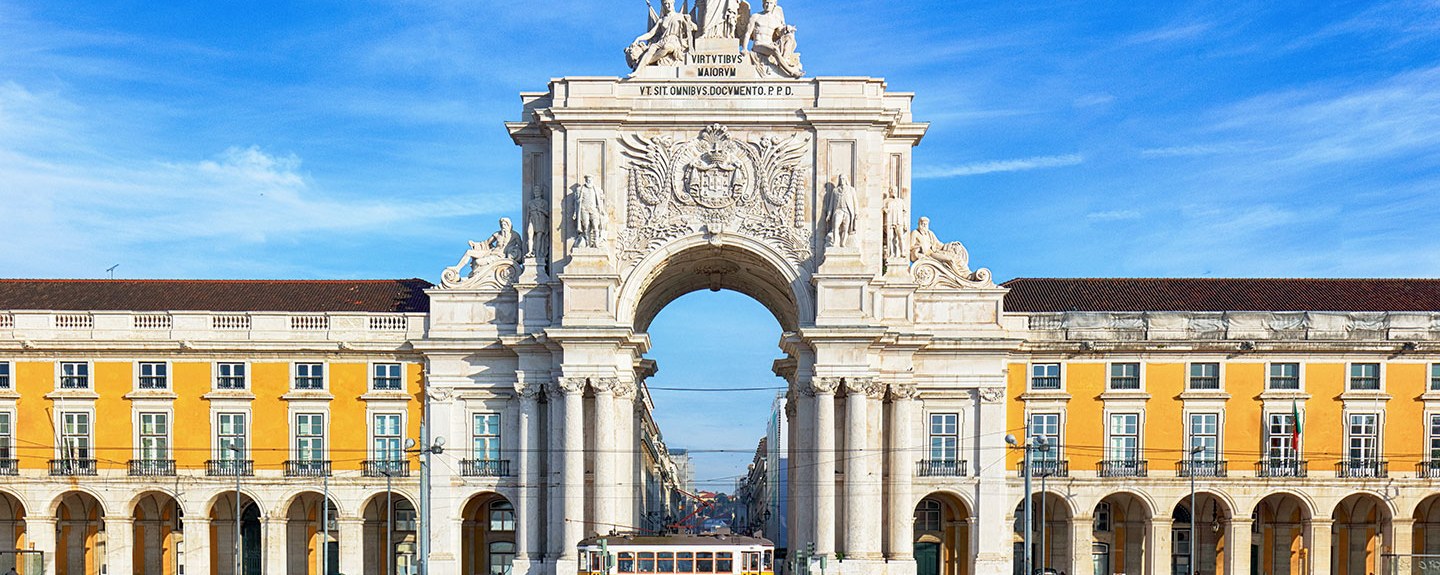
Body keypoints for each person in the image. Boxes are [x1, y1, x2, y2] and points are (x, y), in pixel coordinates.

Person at [627, 0, 698, 73]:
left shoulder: (680, 16)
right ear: (663, 6)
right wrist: (638, 38)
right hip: (662, 41)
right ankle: (638, 71)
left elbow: (695, 28)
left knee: (667, 47)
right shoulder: (661, 20)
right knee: (651, 49)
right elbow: (650, 34)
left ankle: (648, 62)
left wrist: (689, 21)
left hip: (674, 41)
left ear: (673, 3)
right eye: (666, 4)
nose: (669, 5)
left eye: (670, 3)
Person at [741, 0, 803, 77]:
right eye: (766, 2)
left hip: (770, 44)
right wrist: (744, 48)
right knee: (775, 50)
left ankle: (784, 59)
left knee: (790, 36)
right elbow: (748, 33)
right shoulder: (756, 16)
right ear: (763, 4)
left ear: (774, 5)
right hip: (758, 45)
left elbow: (781, 32)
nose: (768, 5)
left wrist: (787, 28)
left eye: (770, 3)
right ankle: (791, 72)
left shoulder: (776, 20)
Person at [573, 175, 607, 248]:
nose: (588, 181)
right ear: (585, 180)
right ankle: (587, 243)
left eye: (590, 180)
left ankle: (596, 242)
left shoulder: (597, 189)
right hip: (584, 210)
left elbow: (600, 201)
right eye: (587, 180)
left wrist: (602, 210)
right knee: (586, 227)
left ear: (592, 180)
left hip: (594, 210)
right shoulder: (580, 189)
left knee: (596, 226)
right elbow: (576, 203)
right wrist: (575, 212)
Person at [825, 174, 856, 248]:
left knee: (846, 229)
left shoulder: (851, 190)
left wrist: (856, 212)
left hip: (847, 211)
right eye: (841, 179)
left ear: (846, 180)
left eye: (843, 179)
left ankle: (843, 243)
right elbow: (831, 204)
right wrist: (829, 214)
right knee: (835, 227)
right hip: (838, 210)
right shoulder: (835, 191)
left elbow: (855, 202)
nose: (842, 180)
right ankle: (836, 242)